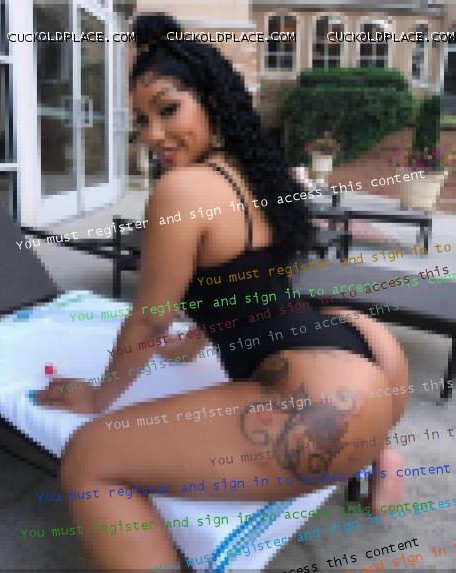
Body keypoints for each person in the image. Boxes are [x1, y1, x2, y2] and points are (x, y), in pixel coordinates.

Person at [37, 13, 408, 570]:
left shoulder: (182, 189)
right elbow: (248, 283)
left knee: (89, 460)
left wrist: (97, 398)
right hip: (373, 358)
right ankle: (381, 452)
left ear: (211, 100)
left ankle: (369, 446)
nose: (153, 136)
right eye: (141, 121)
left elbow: (149, 319)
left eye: (168, 110)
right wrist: (196, 340)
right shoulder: (259, 172)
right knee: (313, 326)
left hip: (324, 405)